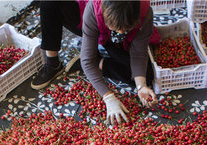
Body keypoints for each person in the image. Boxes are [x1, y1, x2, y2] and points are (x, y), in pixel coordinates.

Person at [31, 0, 160, 125]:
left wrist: (141, 86)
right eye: (117, 28)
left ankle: (98, 61)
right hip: (92, 23)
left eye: (125, 28)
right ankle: (54, 63)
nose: (120, 32)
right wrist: (108, 97)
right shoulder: (94, 9)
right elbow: (88, 61)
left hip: (121, 42)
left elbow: (138, 54)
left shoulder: (145, 13)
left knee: (147, 75)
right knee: (49, 2)